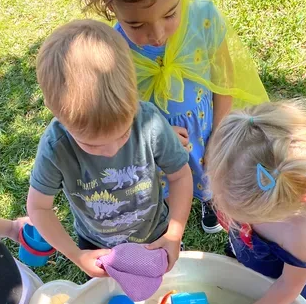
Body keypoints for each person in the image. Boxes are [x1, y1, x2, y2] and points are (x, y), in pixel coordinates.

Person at [83, 0, 267, 234]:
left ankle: (210, 203)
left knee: (210, 172)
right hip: (158, 138)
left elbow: (223, 78)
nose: (157, 35)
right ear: (112, 8)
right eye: (136, 24)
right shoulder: (113, 49)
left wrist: (219, 131)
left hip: (205, 126)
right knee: (167, 184)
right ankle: (169, 218)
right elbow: (120, 107)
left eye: (170, 15)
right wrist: (155, 133)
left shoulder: (203, 18)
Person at [27, 19, 193, 276]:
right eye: (91, 144)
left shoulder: (148, 121)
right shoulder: (56, 147)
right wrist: (76, 255)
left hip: (156, 234)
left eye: (124, 134)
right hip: (96, 246)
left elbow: (180, 175)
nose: (110, 151)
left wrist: (174, 232)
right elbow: (38, 207)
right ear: (56, 113)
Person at [206, 100, 306, 304]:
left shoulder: (304, 236)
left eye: (244, 217)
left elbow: (290, 285)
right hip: (252, 254)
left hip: (284, 279)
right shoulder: (250, 154)